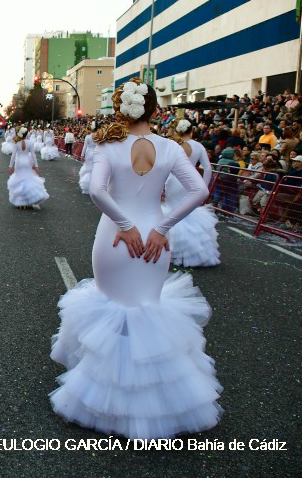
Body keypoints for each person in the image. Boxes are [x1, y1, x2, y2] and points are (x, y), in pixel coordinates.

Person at [49, 78, 221, 440]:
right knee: (147, 307)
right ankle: (152, 405)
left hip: (114, 236)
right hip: (156, 237)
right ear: (155, 111)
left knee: (111, 306)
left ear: (120, 110)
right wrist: (162, 227)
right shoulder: (170, 148)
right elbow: (199, 190)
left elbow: (97, 191)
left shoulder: (107, 145)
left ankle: (107, 399)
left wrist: (125, 225)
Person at [163, 120, 220, 267]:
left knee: (172, 211)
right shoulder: (198, 146)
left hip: (173, 181)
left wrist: (161, 185)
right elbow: (208, 168)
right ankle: (192, 252)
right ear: (191, 131)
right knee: (189, 212)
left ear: (178, 131)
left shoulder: (173, 145)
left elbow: (164, 166)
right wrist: (204, 187)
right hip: (191, 181)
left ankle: (171, 250)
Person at [7, 126, 49, 209]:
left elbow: (13, 155)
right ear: (26, 134)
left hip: (19, 162)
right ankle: (26, 201)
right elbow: (33, 155)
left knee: (19, 180)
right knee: (27, 179)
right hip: (27, 161)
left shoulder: (16, 143)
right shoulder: (30, 143)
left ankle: (21, 203)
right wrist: (36, 165)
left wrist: (10, 166)